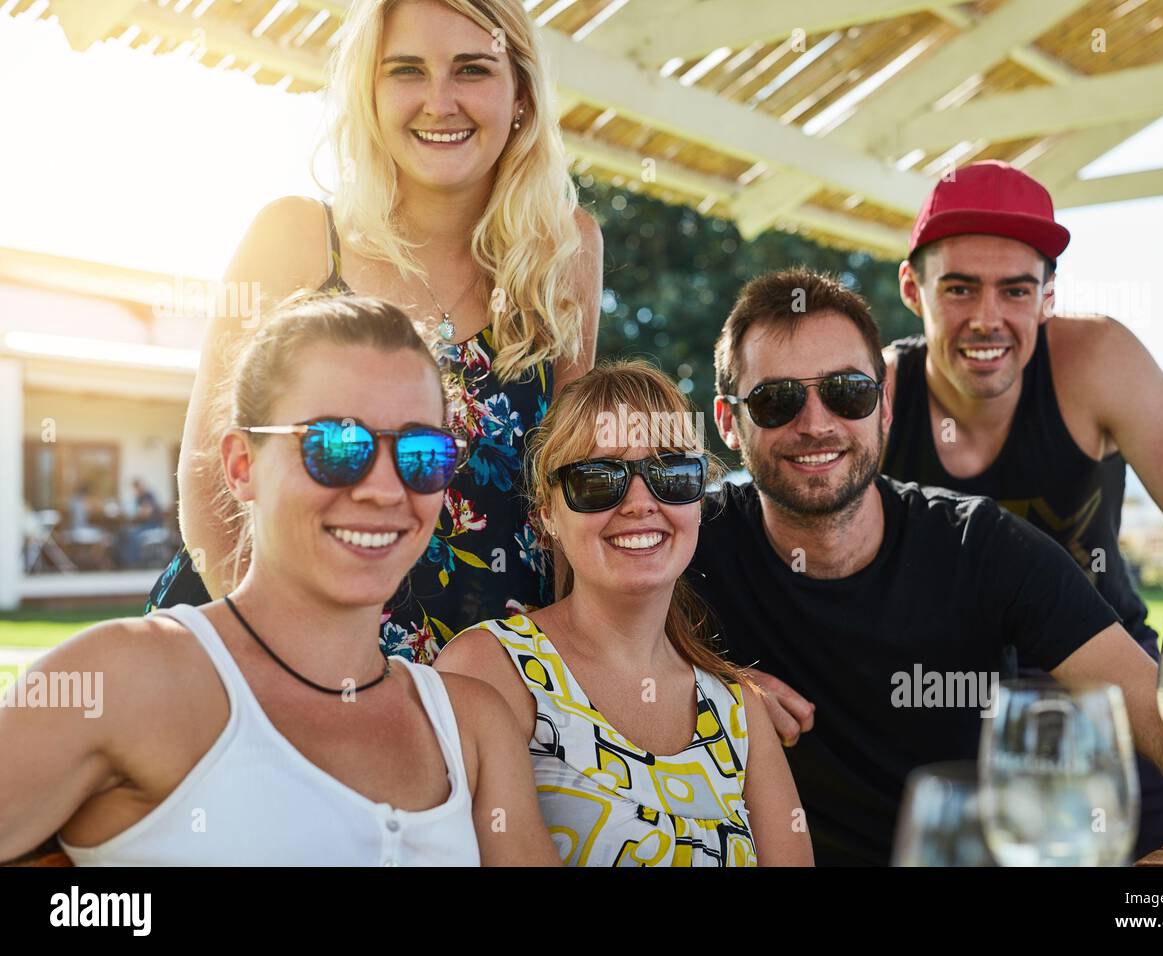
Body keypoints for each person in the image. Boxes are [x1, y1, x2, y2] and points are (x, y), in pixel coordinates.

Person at [686, 268, 1163, 865]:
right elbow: (591, 648)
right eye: (775, 401)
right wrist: (711, 681)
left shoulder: (980, 544)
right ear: (728, 424)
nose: (816, 423)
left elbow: (1159, 714)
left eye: (848, 392)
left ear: (885, 406)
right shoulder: (686, 544)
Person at [0, 297, 557, 867]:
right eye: (338, 447)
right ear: (242, 465)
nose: (387, 490)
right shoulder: (123, 679)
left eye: (422, 453)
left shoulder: (470, 726)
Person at [145, 0, 603, 661]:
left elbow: (571, 489)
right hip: (259, 653)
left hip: (484, 674)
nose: (439, 101)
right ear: (369, 92)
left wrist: (568, 676)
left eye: (472, 70)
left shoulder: (568, 250)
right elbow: (208, 478)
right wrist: (283, 670)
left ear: (521, 96)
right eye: (407, 70)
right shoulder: (297, 238)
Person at [884, 161, 1163, 734]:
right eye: (959, 289)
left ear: (1047, 297)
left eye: (1016, 290)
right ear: (913, 289)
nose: (987, 319)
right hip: (936, 704)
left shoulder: (1099, 360)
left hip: (1117, 691)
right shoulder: (871, 396)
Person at [436, 360, 814, 866]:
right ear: (547, 514)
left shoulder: (741, 712)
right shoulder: (489, 670)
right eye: (597, 479)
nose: (640, 502)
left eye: (671, 474)